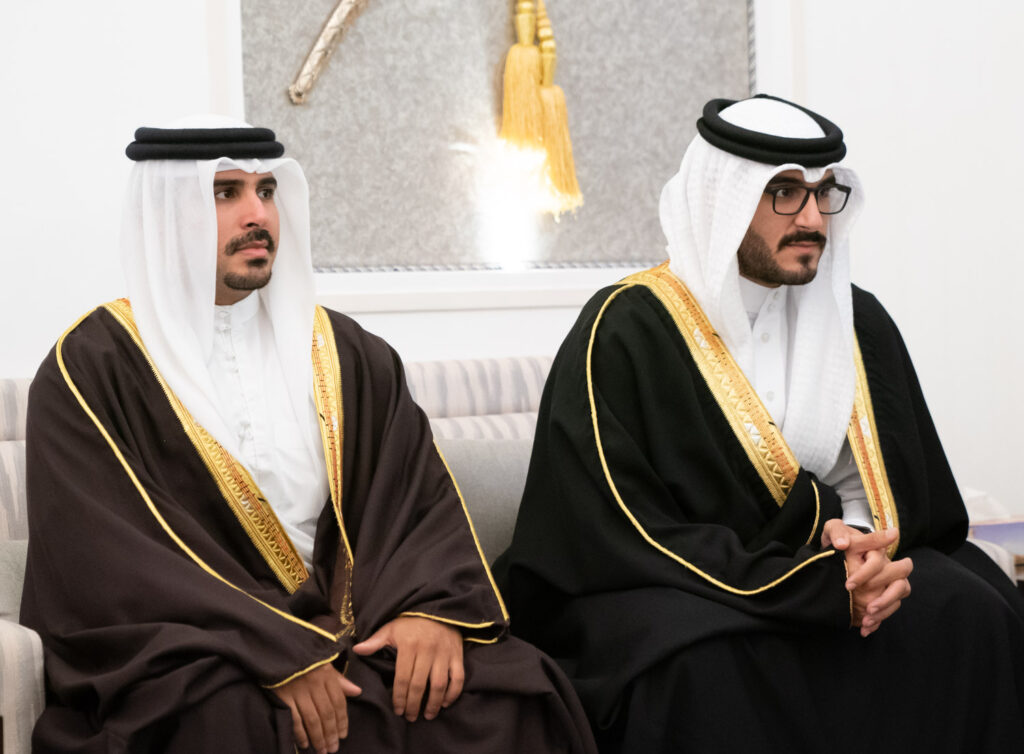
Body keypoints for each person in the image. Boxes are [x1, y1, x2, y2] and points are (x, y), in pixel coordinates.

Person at [20, 117, 596, 754]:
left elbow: (414, 500)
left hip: (358, 626)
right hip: (199, 649)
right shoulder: (90, 369)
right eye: (225, 193)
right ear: (167, 213)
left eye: (266, 191)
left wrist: (427, 607)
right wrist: (269, 649)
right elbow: (109, 562)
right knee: (219, 714)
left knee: (508, 689)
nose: (257, 215)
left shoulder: (349, 354)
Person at [495, 94, 1024, 753]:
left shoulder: (856, 320)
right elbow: (619, 528)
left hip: (824, 571)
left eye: (822, 193)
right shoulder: (625, 327)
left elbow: (895, 486)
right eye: (784, 192)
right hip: (673, 582)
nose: (812, 219)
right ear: (723, 199)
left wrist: (860, 546)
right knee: (700, 665)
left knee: (970, 608)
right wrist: (807, 579)